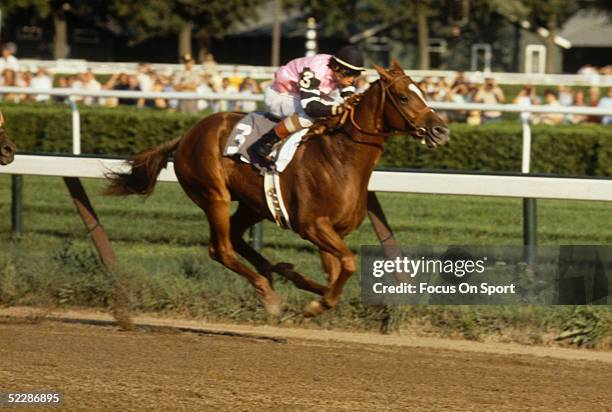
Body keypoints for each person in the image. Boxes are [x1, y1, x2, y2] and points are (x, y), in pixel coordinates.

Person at [250, 45, 366, 165]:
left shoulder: (339, 70)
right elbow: (311, 108)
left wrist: (349, 101)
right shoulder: (315, 70)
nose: (353, 79)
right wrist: (338, 108)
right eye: (350, 74)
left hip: (299, 94)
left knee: (335, 110)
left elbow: (348, 93)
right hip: (280, 95)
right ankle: (265, 143)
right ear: (337, 67)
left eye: (356, 74)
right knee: (311, 115)